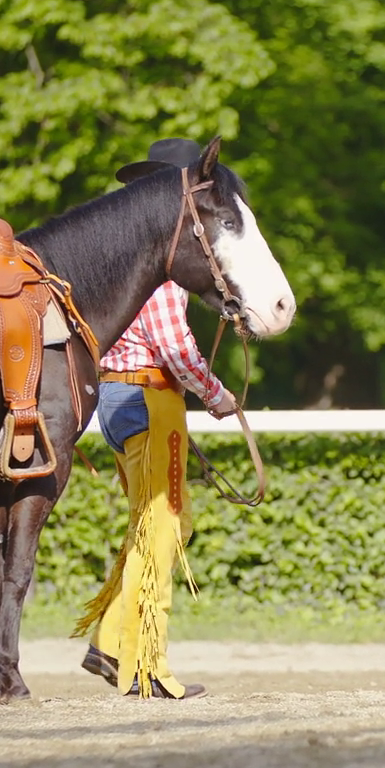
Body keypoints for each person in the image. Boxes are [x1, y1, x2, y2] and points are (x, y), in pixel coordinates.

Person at [70, 280, 238, 699]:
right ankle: (145, 666)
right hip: (150, 397)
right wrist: (214, 393)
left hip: (116, 393)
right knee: (161, 532)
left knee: (161, 526)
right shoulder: (164, 281)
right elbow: (175, 348)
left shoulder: (123, 272)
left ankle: (111, 643)